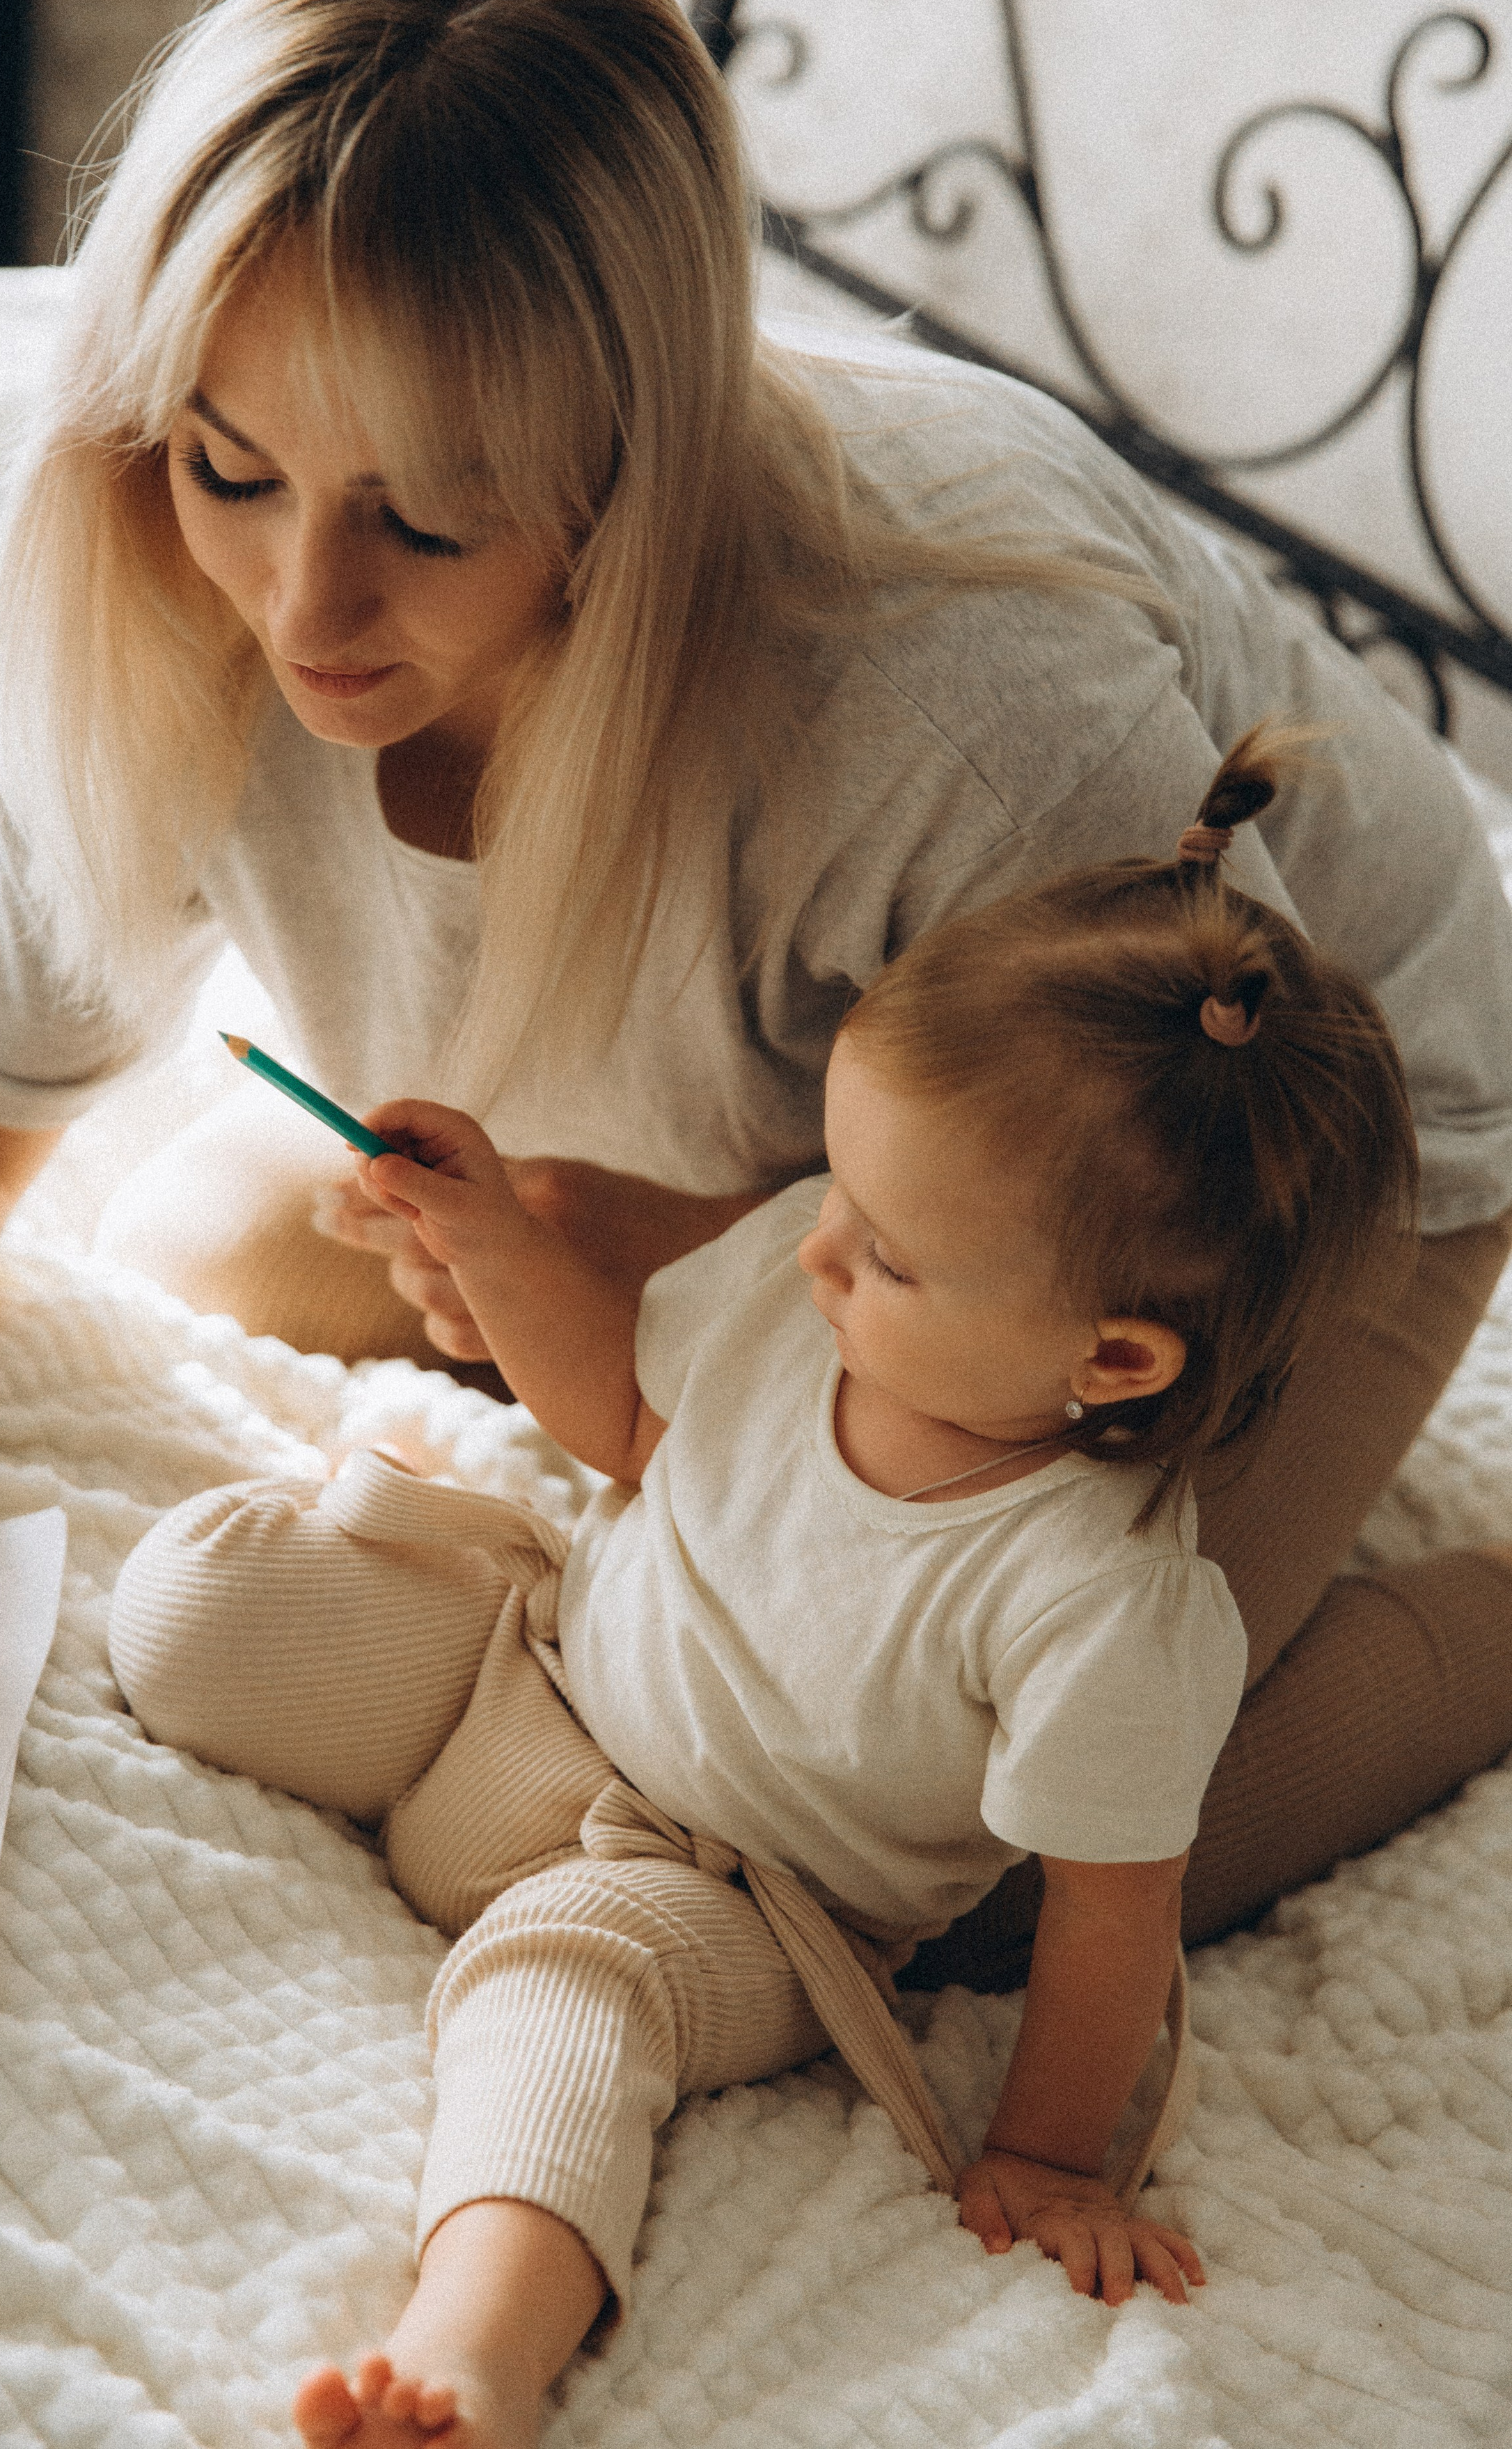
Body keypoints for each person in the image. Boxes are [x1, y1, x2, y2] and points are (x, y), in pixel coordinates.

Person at [0, 0, 1511, 1961]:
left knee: (961, 1856)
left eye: (428, 521)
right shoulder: (174, 594)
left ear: (628, 482)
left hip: (1240, 1149)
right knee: (184, 1254)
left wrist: (662, 1267)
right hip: (808, 1137)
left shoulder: (969, 728)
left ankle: (1487, 1634)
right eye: (235, 467)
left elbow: (1168, 1233)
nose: (307, 613)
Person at [107, 732, 1424, 2445]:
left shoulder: (1094, 1612)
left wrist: (1042, 2157)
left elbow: (1110, 1915)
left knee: (563, 2001)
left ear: (1106, 1356)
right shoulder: (804, 1275)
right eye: (841, 1191)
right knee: (197, 1607)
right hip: (539, 1669)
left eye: (886, 1251)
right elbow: (636, 1431)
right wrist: (497, 1238)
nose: (815, 1245)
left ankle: (470, 2360)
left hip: (732, 1894)